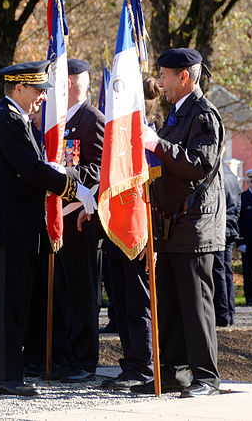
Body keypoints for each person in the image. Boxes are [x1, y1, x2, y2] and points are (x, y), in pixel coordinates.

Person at [0, 60, 97, 397]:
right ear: (18, 89)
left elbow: (32, 168)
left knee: (10, 303)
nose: (43, 97)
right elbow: (30, 169)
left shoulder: (9, 118)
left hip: (10, 228)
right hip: (10, 228)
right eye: (38, 90)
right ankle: (5, 377)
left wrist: (57, 175)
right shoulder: (9, 120)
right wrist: (74, 187)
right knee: (9, 305)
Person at [132, 48, 225, 398]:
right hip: (171, 222)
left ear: (184, 77)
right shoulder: (177, 114)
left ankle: (206, 377)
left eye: (165, 75)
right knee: (169, 301)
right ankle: (174, 371)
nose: (160, 82)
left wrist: (157, 144)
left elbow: (200, 164)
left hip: (195, 224)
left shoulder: (204, 115)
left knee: (195, 303)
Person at [100, 76, 162, 390]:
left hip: (140, 231)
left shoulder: (151, 138)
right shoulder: (121, 135)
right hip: (118, 229)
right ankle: (131, 363)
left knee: (138, 305)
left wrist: (153, 242)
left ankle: (144, 366)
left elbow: (157, 194)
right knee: (123, 304)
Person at [54, 59, 104, 383]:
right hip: (59, 224)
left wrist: (61, 175)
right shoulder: (58, 122)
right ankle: (65, 356)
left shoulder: (92, 120)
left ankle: (84, 362)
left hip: (82, 223)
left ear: (70, 83)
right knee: (64, 296)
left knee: (84, 297)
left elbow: (99, 171)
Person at [212, 160, 240, 325]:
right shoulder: (231, 174)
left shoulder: (216, 171)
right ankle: (230, 310)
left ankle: (222, 314)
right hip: (230, 226)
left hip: (219, 226)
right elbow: (238, 204)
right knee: (226, 270)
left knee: (218, 270)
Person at [237, 168, 252, 306]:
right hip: (248, 243)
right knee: (249, 272)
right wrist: (240, 241)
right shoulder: (242, 198)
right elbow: (239, 221)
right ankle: (250, 298)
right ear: (248, 182)